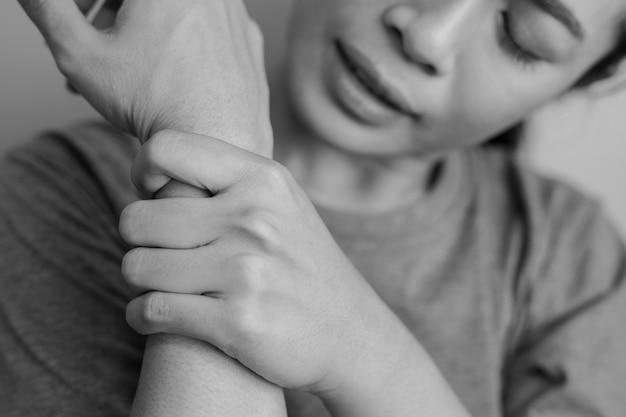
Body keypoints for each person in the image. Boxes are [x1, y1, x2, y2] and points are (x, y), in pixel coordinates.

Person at [2, 0, 626, 416]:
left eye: (524, 38)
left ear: (582, 82)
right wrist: (216, 139)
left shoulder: (568, 251)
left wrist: (365, 352)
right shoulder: (57, 191)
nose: (426, 34)